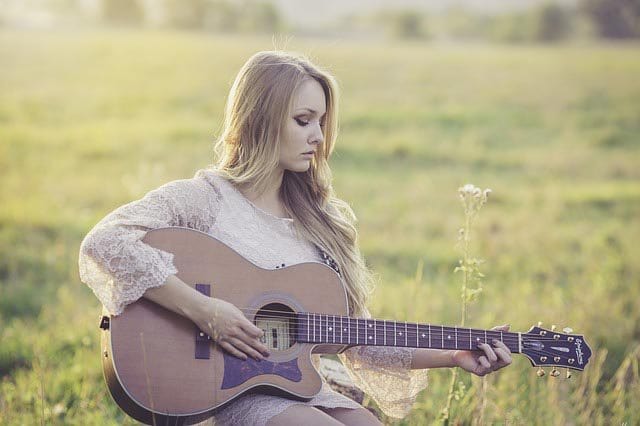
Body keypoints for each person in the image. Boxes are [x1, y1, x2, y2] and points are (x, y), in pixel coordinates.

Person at [79, 50, 512, 426]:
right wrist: (206, 310)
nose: (319, 138)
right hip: (222, 393)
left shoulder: (321, 222)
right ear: (260, 119)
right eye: (304, 121)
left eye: (322, 122)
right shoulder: (203, 199)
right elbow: (105, 242)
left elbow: (354, 338)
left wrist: (455, 354)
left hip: (292, 388)